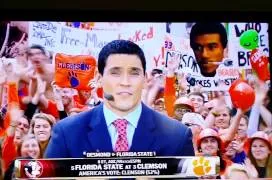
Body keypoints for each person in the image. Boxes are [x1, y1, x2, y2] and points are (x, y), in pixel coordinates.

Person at [45, 40, 194, 158]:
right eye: (115, 73)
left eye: (134, 73)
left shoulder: (177, 136)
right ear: (99, 78)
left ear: (144, 79)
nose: (125, 82)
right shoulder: (68, 132)